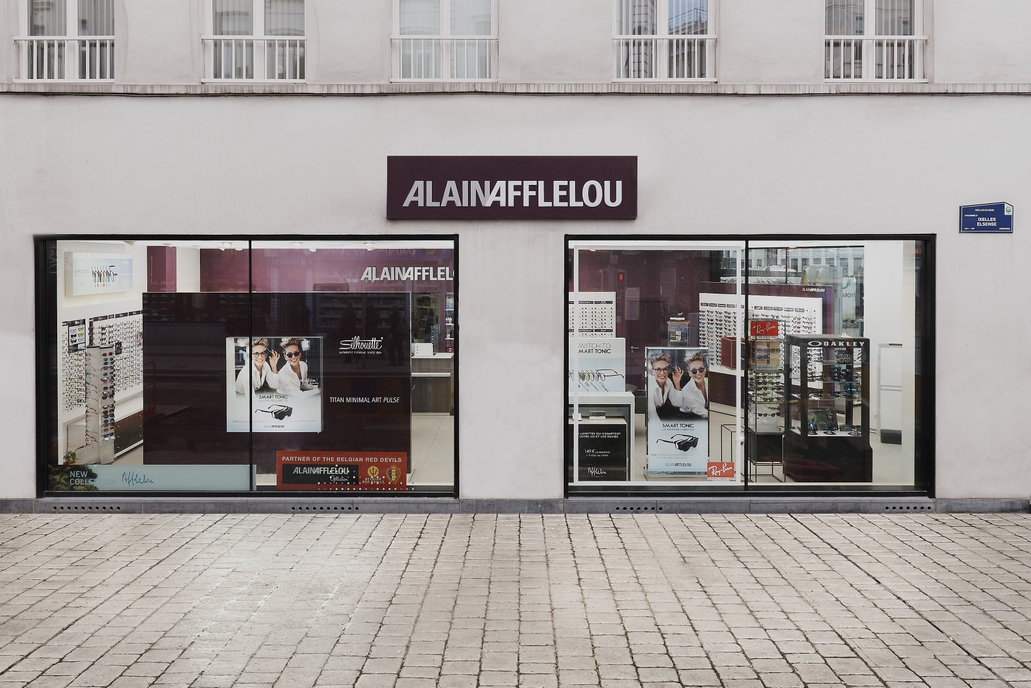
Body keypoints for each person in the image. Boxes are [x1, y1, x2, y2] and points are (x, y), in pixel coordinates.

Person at [648, 351, 708, 420]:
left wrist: (677, 382)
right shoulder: (649, 386)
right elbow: (651, 414)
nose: (662, 373)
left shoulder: (668, 382)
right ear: (652, 372)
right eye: (658, 369)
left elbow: (677, 403)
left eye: (665, 369)